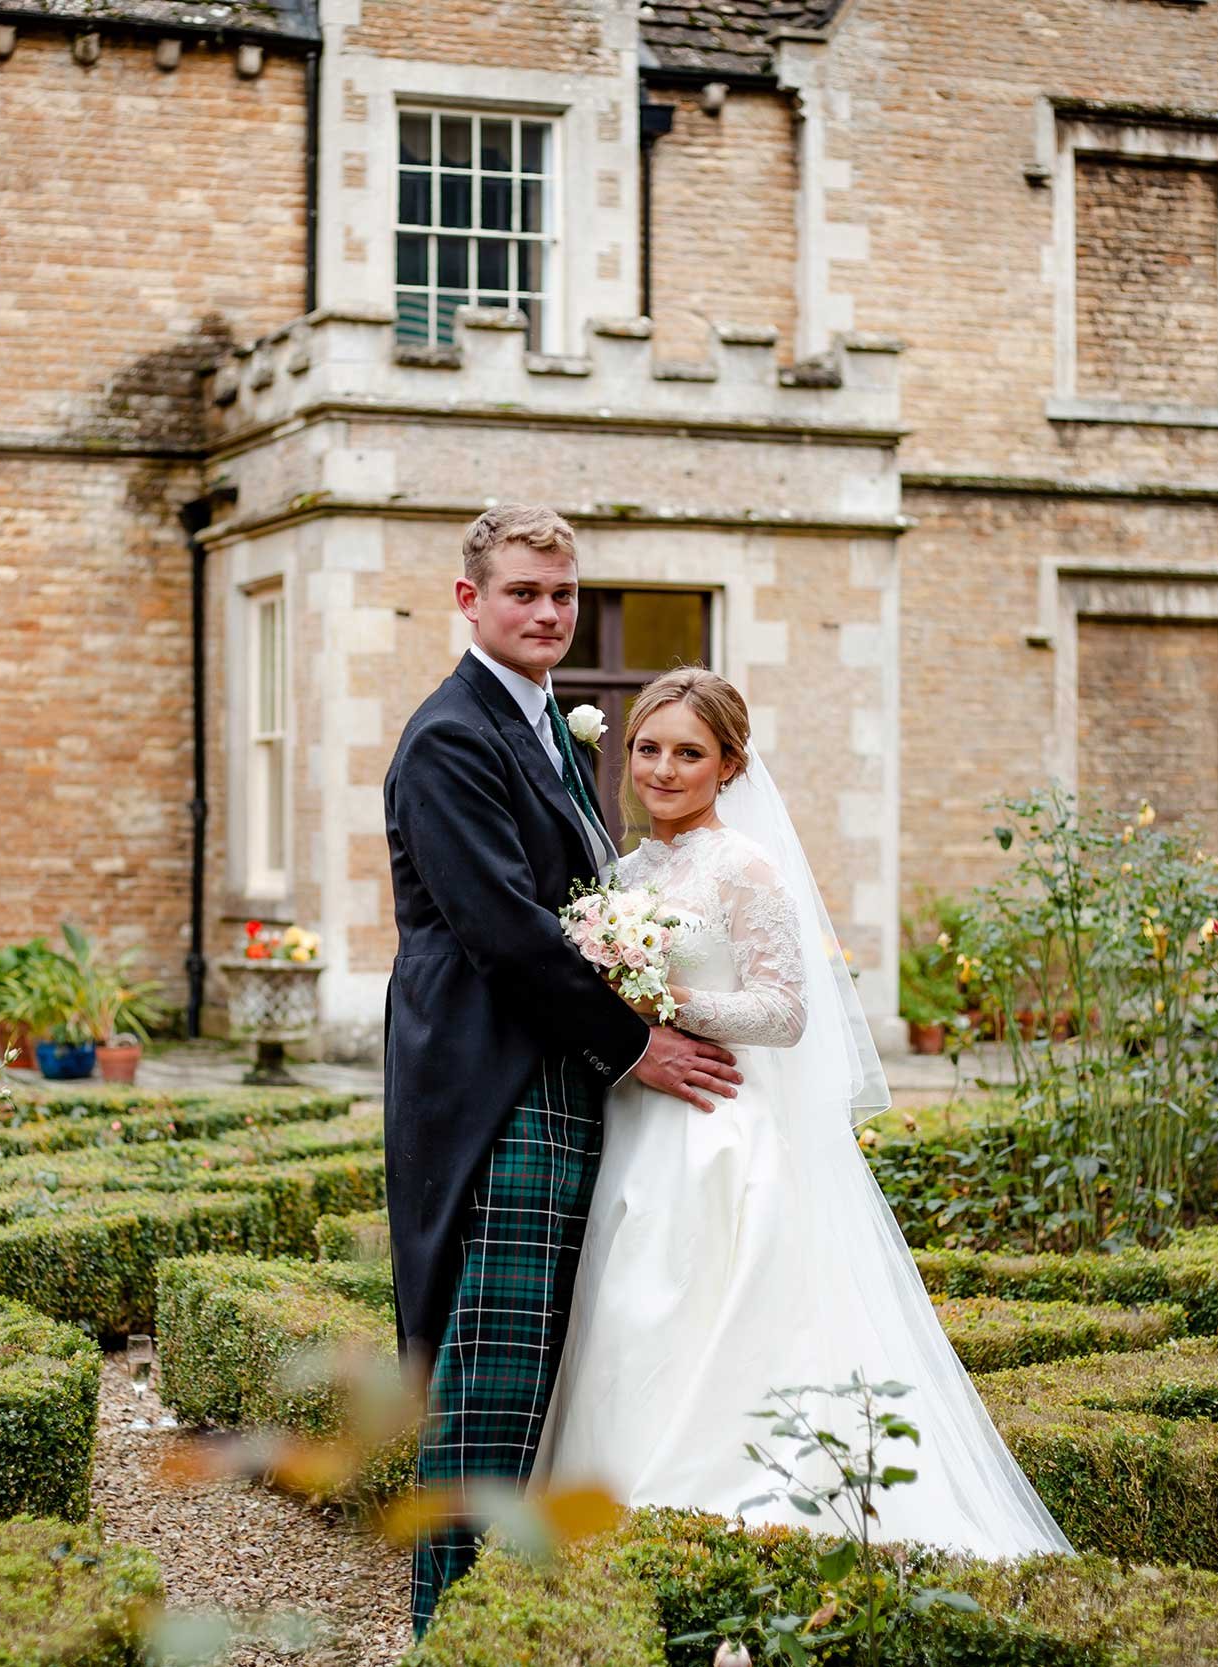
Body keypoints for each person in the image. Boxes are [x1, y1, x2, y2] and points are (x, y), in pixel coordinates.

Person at [539, 667, 1073, 1559]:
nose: (663, 770)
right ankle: (608, 1534)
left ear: (730, 765)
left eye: (689, 753)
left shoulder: (746, 868)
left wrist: (664, 1000)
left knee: (693, 1320)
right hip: (636, 1127)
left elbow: (786, 1012)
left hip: (717, 1134)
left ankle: (715, 1523)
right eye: (648, 748)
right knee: (624, 1319)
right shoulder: (622, 872)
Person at [381, 505, 745, 1635]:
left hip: (549, 1063)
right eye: (523, 592)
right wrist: (637, 1041)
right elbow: (502, 925)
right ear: (468, 600)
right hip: (494, 1078)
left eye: (562, 593)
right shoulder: (451, 735)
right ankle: (446, 1632)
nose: (546, 612)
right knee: (489, 1371)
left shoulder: (550, 725)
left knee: (539, 1358)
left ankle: (502, 1621)